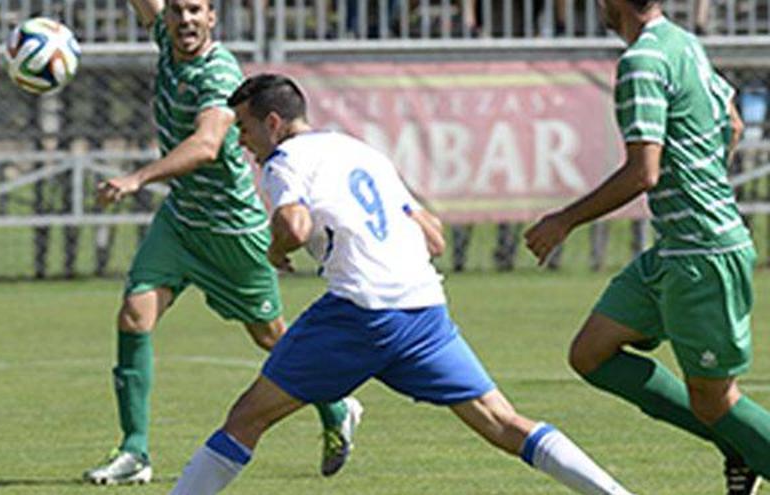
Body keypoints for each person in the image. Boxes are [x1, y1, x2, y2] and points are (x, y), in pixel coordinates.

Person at [166, 73, 636, 495]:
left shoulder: (283, 161)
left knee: (247, 417)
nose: (244, 145)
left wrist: (278, 251)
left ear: (273, 123)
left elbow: (292, 224)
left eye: (245, 131)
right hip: (422, 308)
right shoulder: (358, 150)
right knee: (503, 422)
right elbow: (431, 233)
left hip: (359, 311)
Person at [83, 0, 358, 484]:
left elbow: (208, 144)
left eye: (196, 10)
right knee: (134, 314)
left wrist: (138, 178)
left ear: (212, 18)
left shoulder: (218, 73)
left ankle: (336, 407)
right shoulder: (168, 41)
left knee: (271, 337)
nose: (185, 20)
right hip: (181, 220)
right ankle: (135, 452)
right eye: (177, 11)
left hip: (232, 229)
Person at [525, 1, 770, 494]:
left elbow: (644, 172)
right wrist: (703, 173)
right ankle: (737, 441)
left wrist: (564, 220)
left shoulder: (642, 61)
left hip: (702, 252)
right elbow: (734, 122)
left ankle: (741, 437)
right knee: (591, 354)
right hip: (675, 251)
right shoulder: (683, 42)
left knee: (714, 399)